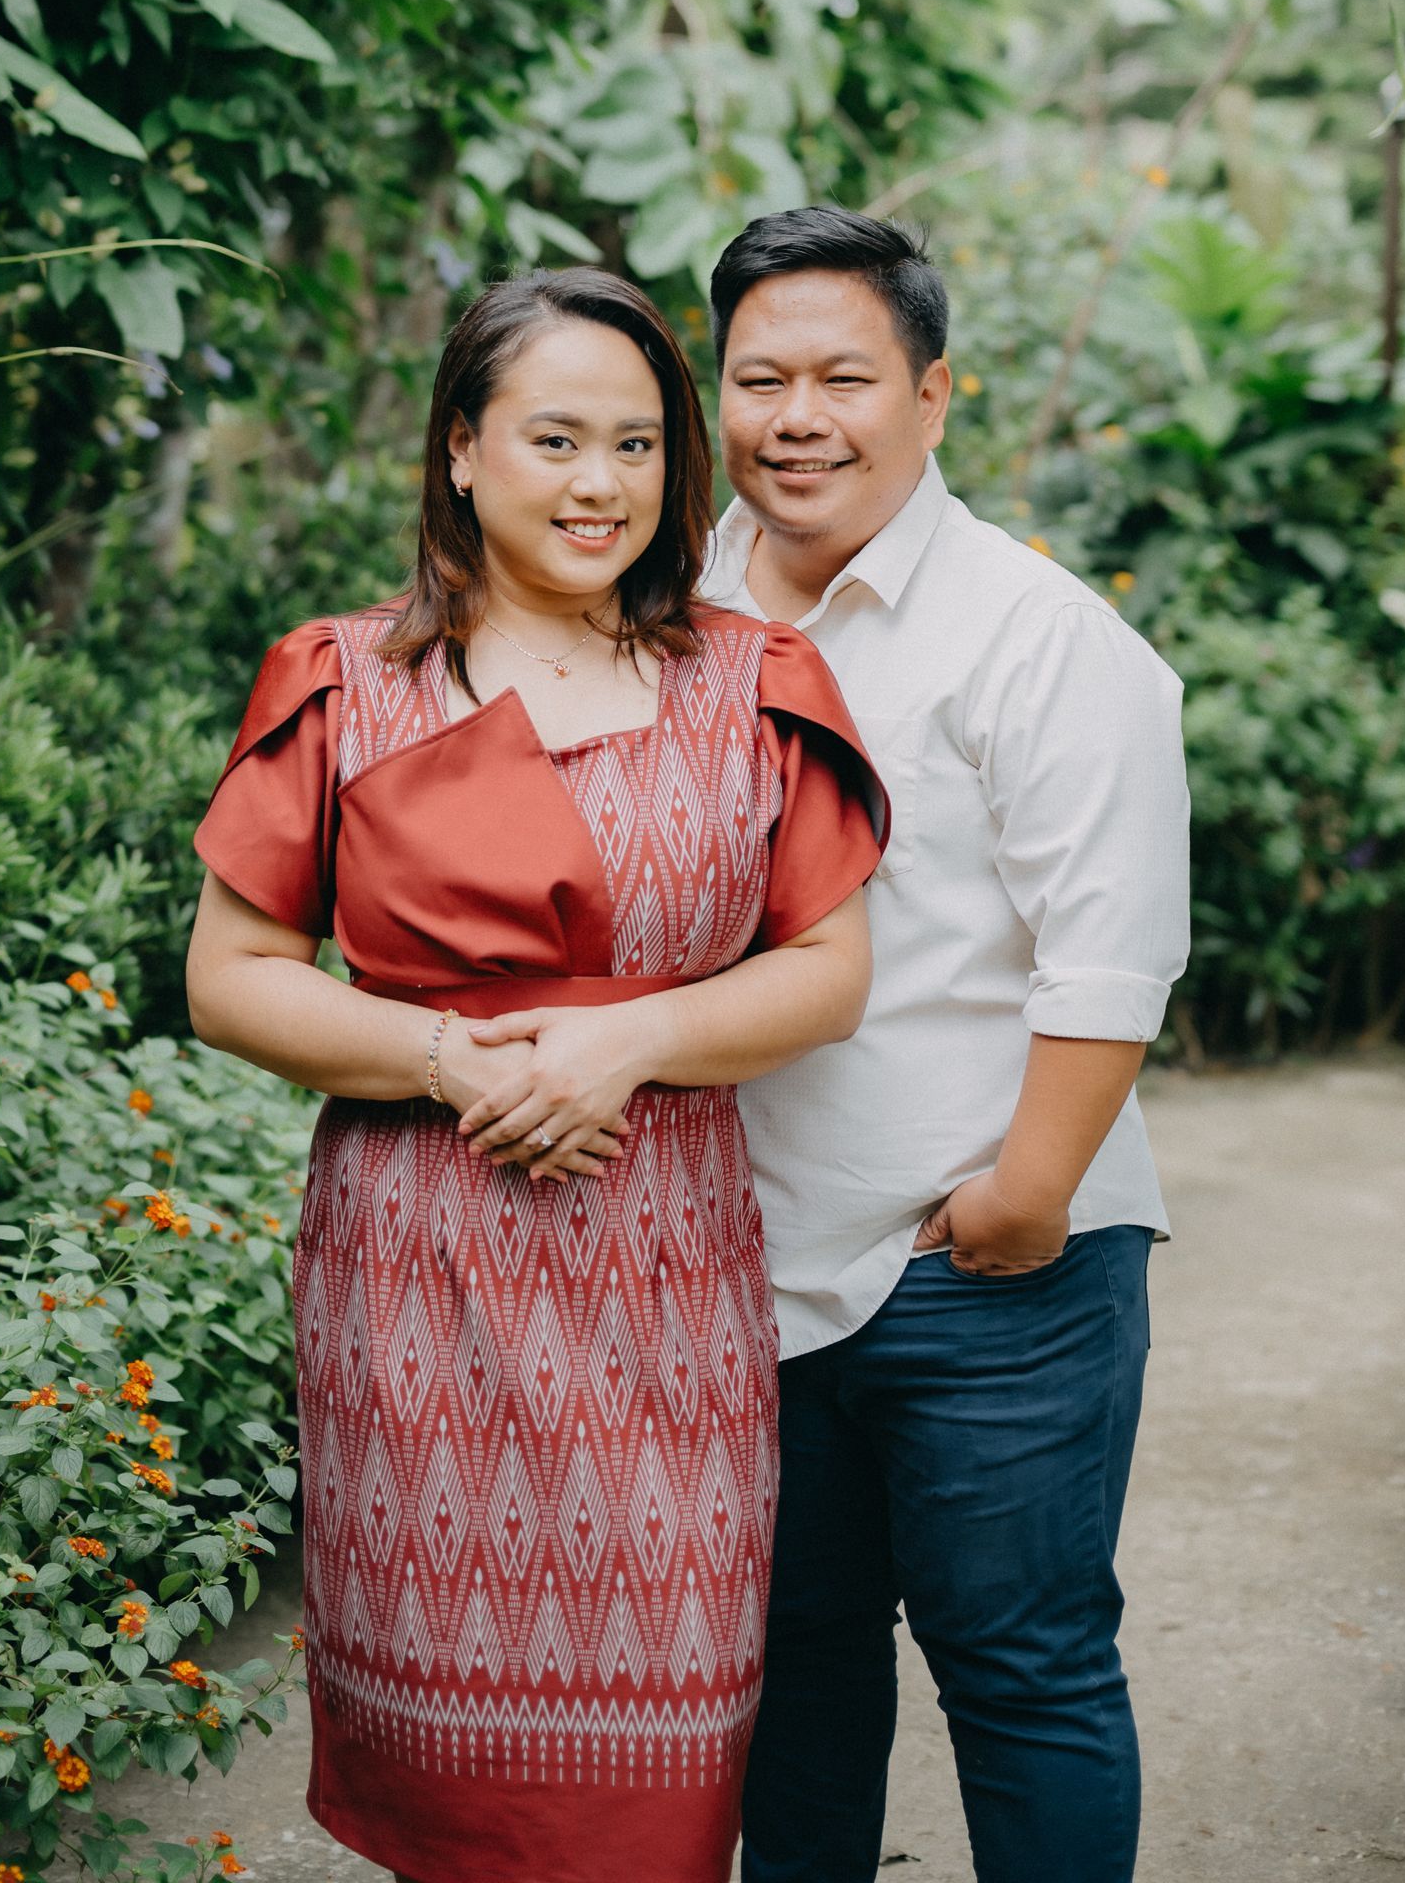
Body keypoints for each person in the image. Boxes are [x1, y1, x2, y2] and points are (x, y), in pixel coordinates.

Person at [185, 267, 884, 1883]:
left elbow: (830, 973)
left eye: (637, 445)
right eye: (556, 439)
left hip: (666, 1273)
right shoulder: (343, 681)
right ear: (459, 446)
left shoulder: (757, 681)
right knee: (452, 1774)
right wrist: (448, 1060)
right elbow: (230, 978)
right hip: (418, 1276)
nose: (600, 485)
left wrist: (625, 1043)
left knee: (670, 1732)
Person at [702, 207, 1191, 1883]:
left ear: (933, 393)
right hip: (738, 1264)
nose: (798, 418)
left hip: (981, 1273)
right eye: (759, 378)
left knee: (1022, 1671)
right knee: (793, 1679)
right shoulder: (670, 606)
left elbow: (1110, 955)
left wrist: (1021, 1203)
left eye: (845, 377)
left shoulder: (1036, 635)